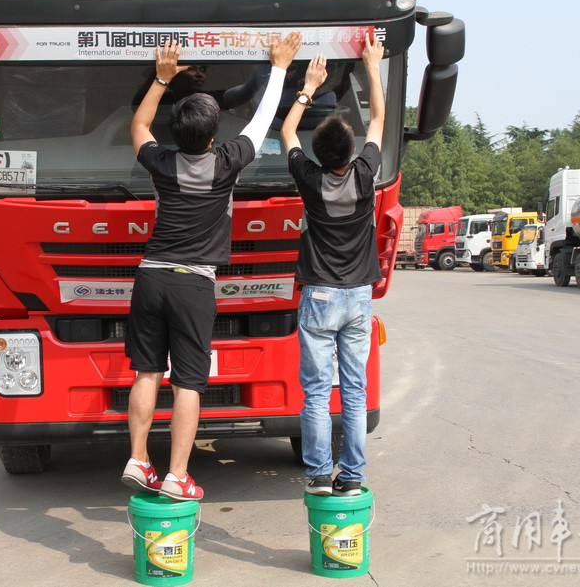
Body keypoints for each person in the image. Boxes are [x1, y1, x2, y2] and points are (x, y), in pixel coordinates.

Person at [121, 32, 302, 501]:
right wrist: (281, 68)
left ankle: (139, 460)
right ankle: (178, 474)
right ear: (213, 134)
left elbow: (138, 128)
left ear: (176, 133)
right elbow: (262, 121)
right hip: (193, 285)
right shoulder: (227, 163)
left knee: (145, 373)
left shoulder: (161, 162)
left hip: (150, 276)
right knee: (188, 382)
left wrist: (161, 80)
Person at [278, 32, 385, 497]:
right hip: (358, 296)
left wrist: (308, 86)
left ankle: (320, 475)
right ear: (352, 154)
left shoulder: (308, 178)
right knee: (355, 392)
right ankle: (354, 476)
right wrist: (372, 66)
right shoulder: (365, 176)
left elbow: (285, 132)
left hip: (318, 294)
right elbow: (379, 117)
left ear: (319, 155)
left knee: (318, 392)